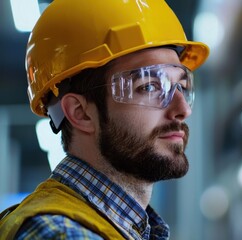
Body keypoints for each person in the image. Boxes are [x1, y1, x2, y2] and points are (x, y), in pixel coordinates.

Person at [0, 0, 209, 239]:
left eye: (180, 86)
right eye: (150, 86)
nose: (182, 109)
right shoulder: (61, 234)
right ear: (80, 112)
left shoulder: (119, 227)